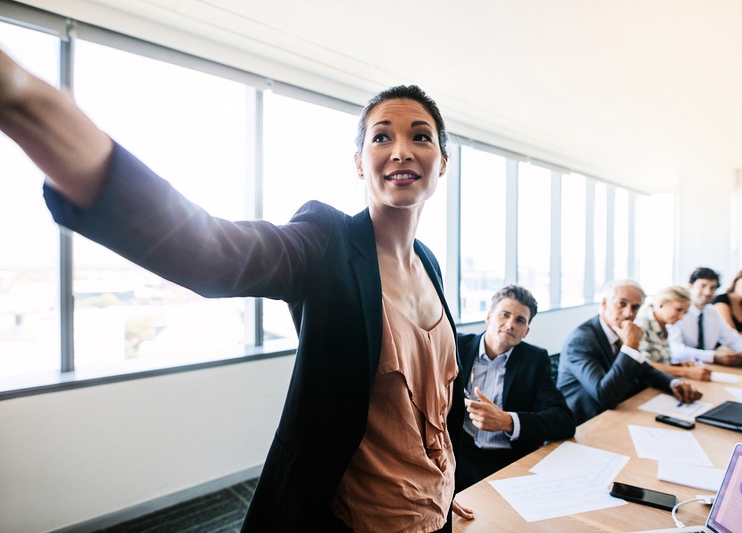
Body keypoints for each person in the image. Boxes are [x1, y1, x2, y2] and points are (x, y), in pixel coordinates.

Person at [0, 48, 475, 531]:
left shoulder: (430, 265)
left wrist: (443, 485)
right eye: (381, 137)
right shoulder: (326, 241)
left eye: (420, 137)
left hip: (433, 514)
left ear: (442, 163)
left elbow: (439, 406)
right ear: (359, 162)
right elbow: (209, 251)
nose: (401, 150)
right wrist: (24, 98)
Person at [455, 285, 575, 493]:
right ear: (489, 317)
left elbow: (563, 420)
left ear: (526, 331)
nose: (510, 324)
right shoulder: (456, 345)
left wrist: (507, 421)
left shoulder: (535, 360)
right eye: (505, 315)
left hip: (509, 462)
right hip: (459, 457)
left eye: (520, 320)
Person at [557, 279, 702, 426]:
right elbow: (605, 396)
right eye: (622, 304)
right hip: (583, 423)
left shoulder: (620, 330)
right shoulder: (581, 341)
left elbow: (644, 369)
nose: (628, 313)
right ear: (604, 303)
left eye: (635, 307)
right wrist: (630, 345)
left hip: (615, 415)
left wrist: (673, 383)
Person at [667, 267, 742, 366]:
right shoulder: (677, 313)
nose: (708, 292)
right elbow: (676, 351)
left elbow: (735, 340)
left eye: (712, 287)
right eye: (703, 286)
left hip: (710, 367)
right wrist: (714, 356)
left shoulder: (712, 312)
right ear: (690, 286)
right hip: (685, 368)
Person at [636, 286, 711, 381]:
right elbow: (644, 365)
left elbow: (658, 362)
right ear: (662, 303)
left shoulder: (664, 326)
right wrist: (686, 372)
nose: (681, 317)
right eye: (679, 310)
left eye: (685, 312)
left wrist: (678, 366)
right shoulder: (642, 324)